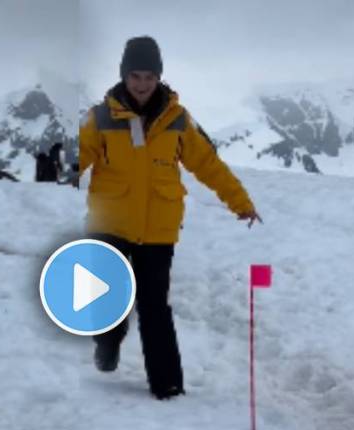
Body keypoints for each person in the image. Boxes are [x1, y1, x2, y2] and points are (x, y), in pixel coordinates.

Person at [79, 36, 261, 400]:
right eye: (135, 76)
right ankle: (108, 340)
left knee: (154, 306)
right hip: (109, 223)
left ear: (159, 77)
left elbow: (207, 164)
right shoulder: (100, 117)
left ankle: (167, 384)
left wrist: (239, 201)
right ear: (124, 76)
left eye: (149, 76)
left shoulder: (178, 120)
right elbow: (75, 157)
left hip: (158, 228)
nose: (142, 84)